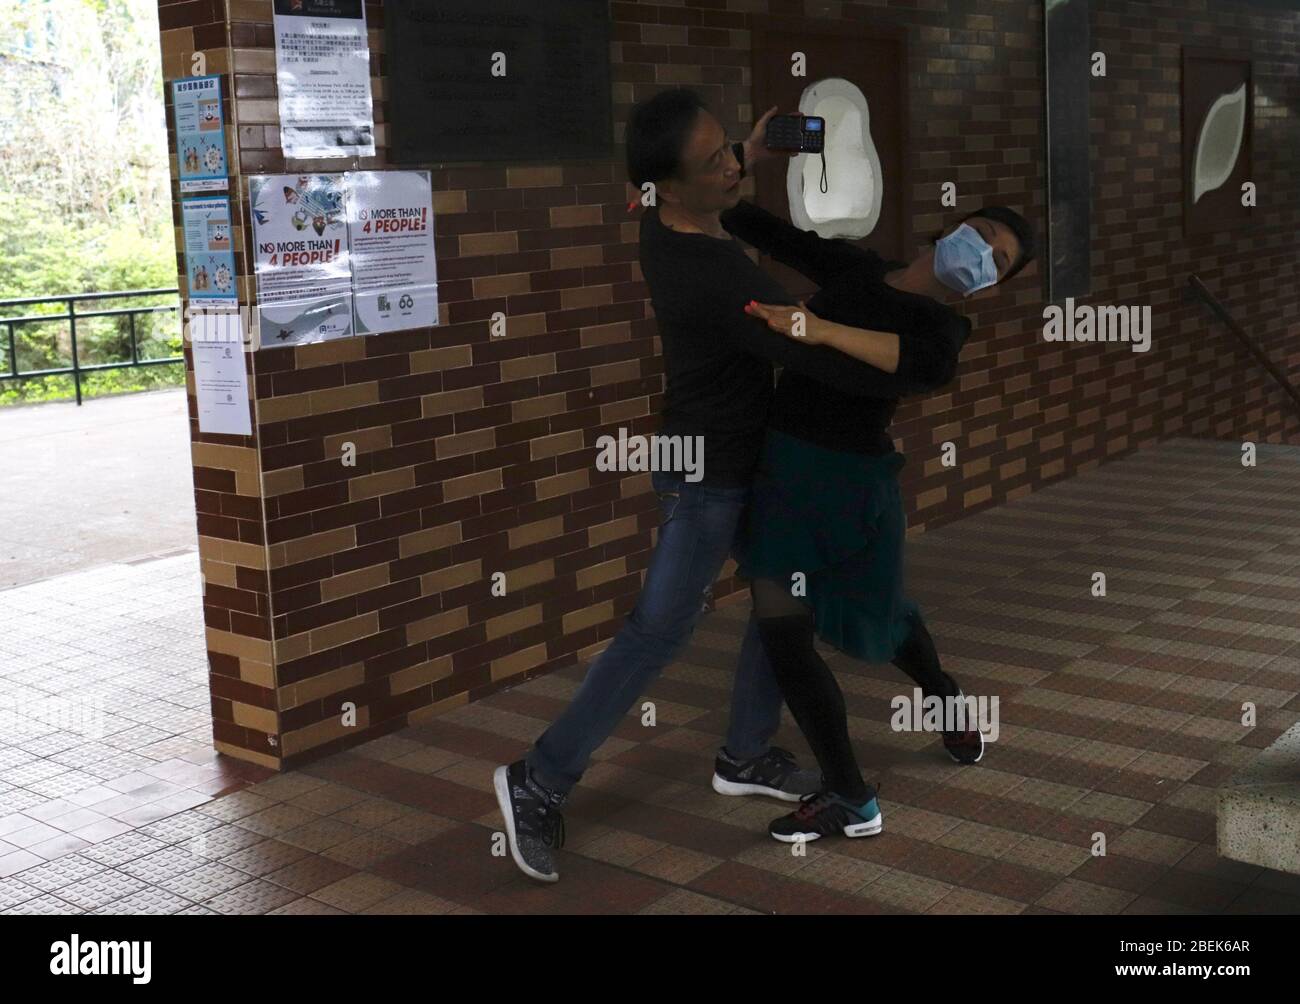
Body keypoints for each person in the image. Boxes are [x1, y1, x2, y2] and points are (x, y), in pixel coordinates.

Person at [493, 89, 946, 883]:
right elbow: (814, 351)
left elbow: (701, 177)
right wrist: (917, 358)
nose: (735, 166)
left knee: (782, 600)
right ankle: (536, 780)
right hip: (707, 474)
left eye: (730, 148)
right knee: (658, 630)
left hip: (746, 461)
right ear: (668, 185)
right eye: (718, 162)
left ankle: (746, 752)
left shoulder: (664, 214)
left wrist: (753, 149)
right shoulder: (711, 271)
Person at [722, 127, 1037, 843]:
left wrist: (818, 331)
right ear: (951, 227)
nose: (982, 253)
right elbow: (747, 221)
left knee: (888, 621)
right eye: (981, 234)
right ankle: (850, 795)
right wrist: (744, 159)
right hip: (784, 473)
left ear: (992, 284)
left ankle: (950, 709)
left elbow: (918, 366)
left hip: (849, 487)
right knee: (786, 637)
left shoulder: (941, 327)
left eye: (999, 260)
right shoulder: (857, 272)